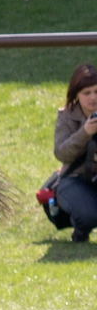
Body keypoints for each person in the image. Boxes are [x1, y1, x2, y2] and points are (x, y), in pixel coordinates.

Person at [51, 63, 97, 242]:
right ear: (76, 94)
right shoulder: (66, 116)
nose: (93, 97)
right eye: (87, 93)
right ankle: (80, 230)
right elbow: (61, 153)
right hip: (74, 179)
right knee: (88, 215)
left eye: (96, 91)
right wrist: (85, 133)